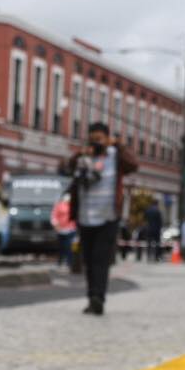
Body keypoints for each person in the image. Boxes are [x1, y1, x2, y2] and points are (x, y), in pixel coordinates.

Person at [64, 122, 137, 316]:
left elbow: (133, 165)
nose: (96, 143)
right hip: (85, 216)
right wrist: (81, 153)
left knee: (101, 259)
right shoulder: (83, 157)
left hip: (108, 217)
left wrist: (118, 146)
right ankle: (91, 297)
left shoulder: (115, 156)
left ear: (107, 139)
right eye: (93, 139)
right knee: (88, 259)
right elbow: (66, 168)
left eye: (100, 139)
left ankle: (98, 297)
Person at [51, 192, 77, 270]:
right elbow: (54, 216)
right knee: (61, 247)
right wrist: (56, 225)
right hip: (61, 230)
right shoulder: (59, 205)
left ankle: (70, 262)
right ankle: (60, 261)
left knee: (70, 246)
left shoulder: (73, 205)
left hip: (71, 230)